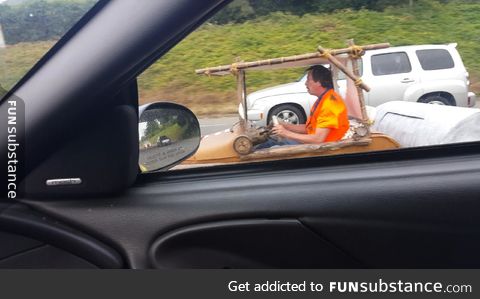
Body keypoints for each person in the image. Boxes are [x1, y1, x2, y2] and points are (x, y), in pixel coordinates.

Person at [255, 65, 350, 149]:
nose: (306, 83)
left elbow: (318, 139)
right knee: (272, 140)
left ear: (319, 82)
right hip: (313, 143)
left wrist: (286, 133)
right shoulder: (323, 99)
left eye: (308, 79)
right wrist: (284, 125)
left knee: (273, 148)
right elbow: (309, 129)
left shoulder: (330, 104)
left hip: (321, 148)